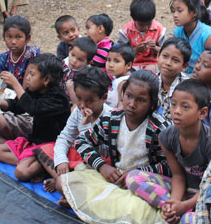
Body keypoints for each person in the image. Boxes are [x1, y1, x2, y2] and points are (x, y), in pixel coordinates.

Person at [61, 70, 171, 224]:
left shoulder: (160, 128)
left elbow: (168, 166)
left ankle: (91, 207)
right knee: (64, 183)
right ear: (122, 94)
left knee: (136, 211)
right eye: (129, 96)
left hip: (143, 186)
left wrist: (137, 173)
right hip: (114, 178)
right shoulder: (111, 118)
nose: (132, 104)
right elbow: (81, 142)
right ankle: (91, 205)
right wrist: (102, 166)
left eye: (141, 100)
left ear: (152, 103)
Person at [126, 80, 211, 223]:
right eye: (173, 104)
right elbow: (178, 175)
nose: (177, 111)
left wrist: (185, 206)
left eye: (185, 107)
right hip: (183, 189)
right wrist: (174, 203)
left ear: (202, 113)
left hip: (206, 193)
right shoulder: (166, 136)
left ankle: (182, 212)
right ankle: (170, 210)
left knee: (191, 221)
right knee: (133, 177)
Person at [35, 67, 111, 206]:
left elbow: (101, 152)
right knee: (44, 151)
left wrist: (87, 126)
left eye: (90, 100)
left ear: (104, 98)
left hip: (98, 164)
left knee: (60, 184)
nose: (82, 104)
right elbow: (65, 137)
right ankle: (67, 184)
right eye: (79, 98)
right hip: (79, 159)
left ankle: (70, 191)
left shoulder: (110, 118)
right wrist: (61, 161)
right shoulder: (78, 111)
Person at [0, 53, 71, 182]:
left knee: (21, 172)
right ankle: (33, 162)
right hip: (35, 140)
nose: (27, 78)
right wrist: (0, 104)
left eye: (32, 74)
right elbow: (18, 106)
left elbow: (34, 108)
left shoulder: (58, 98)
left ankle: (42, 165)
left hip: (51, 145)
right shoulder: (35, 90)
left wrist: (16, 84)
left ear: (46, 79)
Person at [0, 15, 41, 144]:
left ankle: (14, 139)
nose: (13, 41)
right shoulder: (3, 58)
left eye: (18, 37)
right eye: (9, 37)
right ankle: (14, 141)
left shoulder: (31, 54)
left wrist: (13, 84)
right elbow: (3, 83)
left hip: (28, 101)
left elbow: (29, 87)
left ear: (28, 38)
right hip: (10, 99)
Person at [171, 0, 211, 74]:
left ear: (194, 13)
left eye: (179, 11)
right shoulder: (177, 32)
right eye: (173, 11)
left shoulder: (209, 36)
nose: (175, 15)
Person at [118, 0, 166, 71]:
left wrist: (155, 48)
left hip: (155, 64)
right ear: (134, 19)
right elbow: (121, 55)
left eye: (149, 24)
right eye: (141, 25)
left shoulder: (159, 29)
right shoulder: (126, 31)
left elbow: (166, 52)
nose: (146, 28)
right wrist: (136, 50)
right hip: (132, 65)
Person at [156, 37, 191, 121]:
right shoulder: (152, 81)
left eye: (175, 60)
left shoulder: (188, 88)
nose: (168, 63)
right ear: (158, 56)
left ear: (184, 66)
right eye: (165, 56)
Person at [63, 36, 97, 103]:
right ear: (69, 50)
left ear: (88, 62)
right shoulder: (64, 62)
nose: (74, 61)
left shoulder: (85, 75)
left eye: (80, 59)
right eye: (72, 55)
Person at [106, 44, 135, 108]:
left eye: (116, 61)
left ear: (128, 65)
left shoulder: (124, 83)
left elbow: (121, 105)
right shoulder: (116, 78)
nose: (110, 65)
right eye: (108, 60)